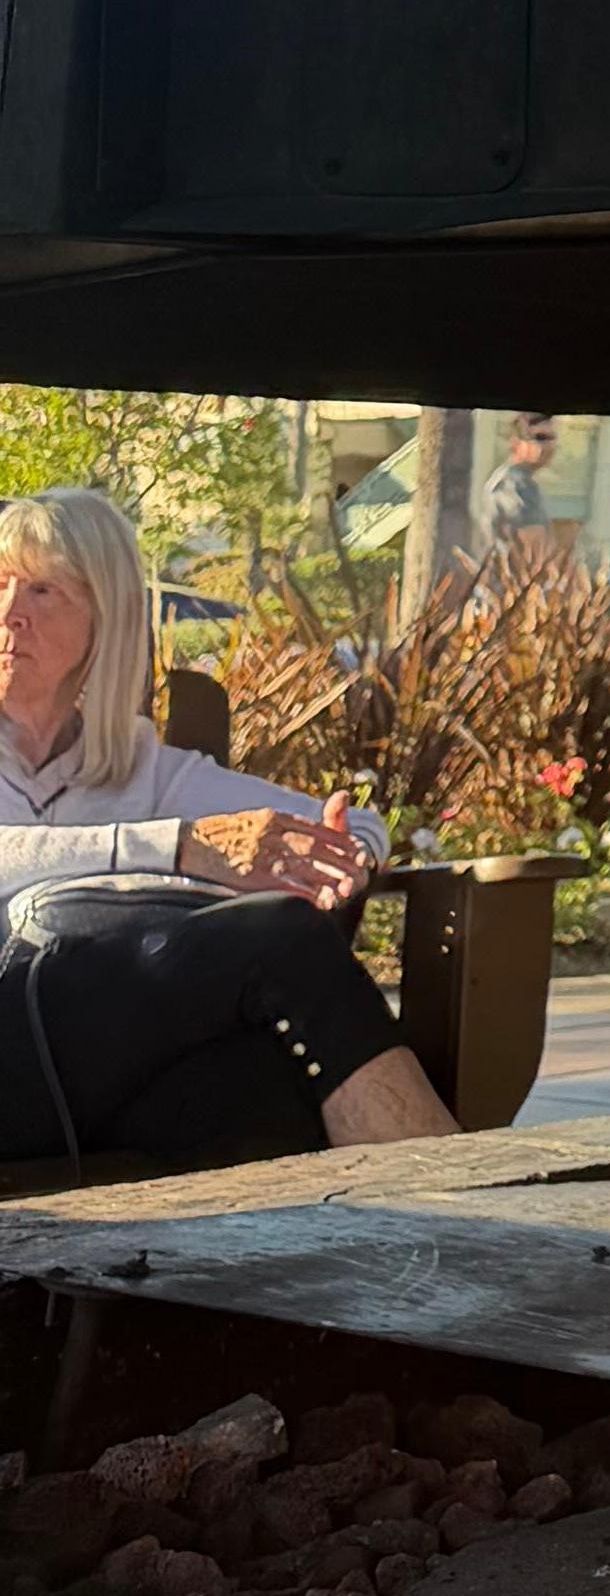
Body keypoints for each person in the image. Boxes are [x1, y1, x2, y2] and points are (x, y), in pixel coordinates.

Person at [0, 484, 454, 1171]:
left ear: (105, 618)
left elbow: (354, 822)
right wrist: (174, 846)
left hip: (82, 1082)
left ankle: (424, 1243)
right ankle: (475, 1204)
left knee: (257, 1089)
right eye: (0, 583)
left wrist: (339, 855)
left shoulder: (144, 769)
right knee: (280, 939)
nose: (9, 614)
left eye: (42, 591)